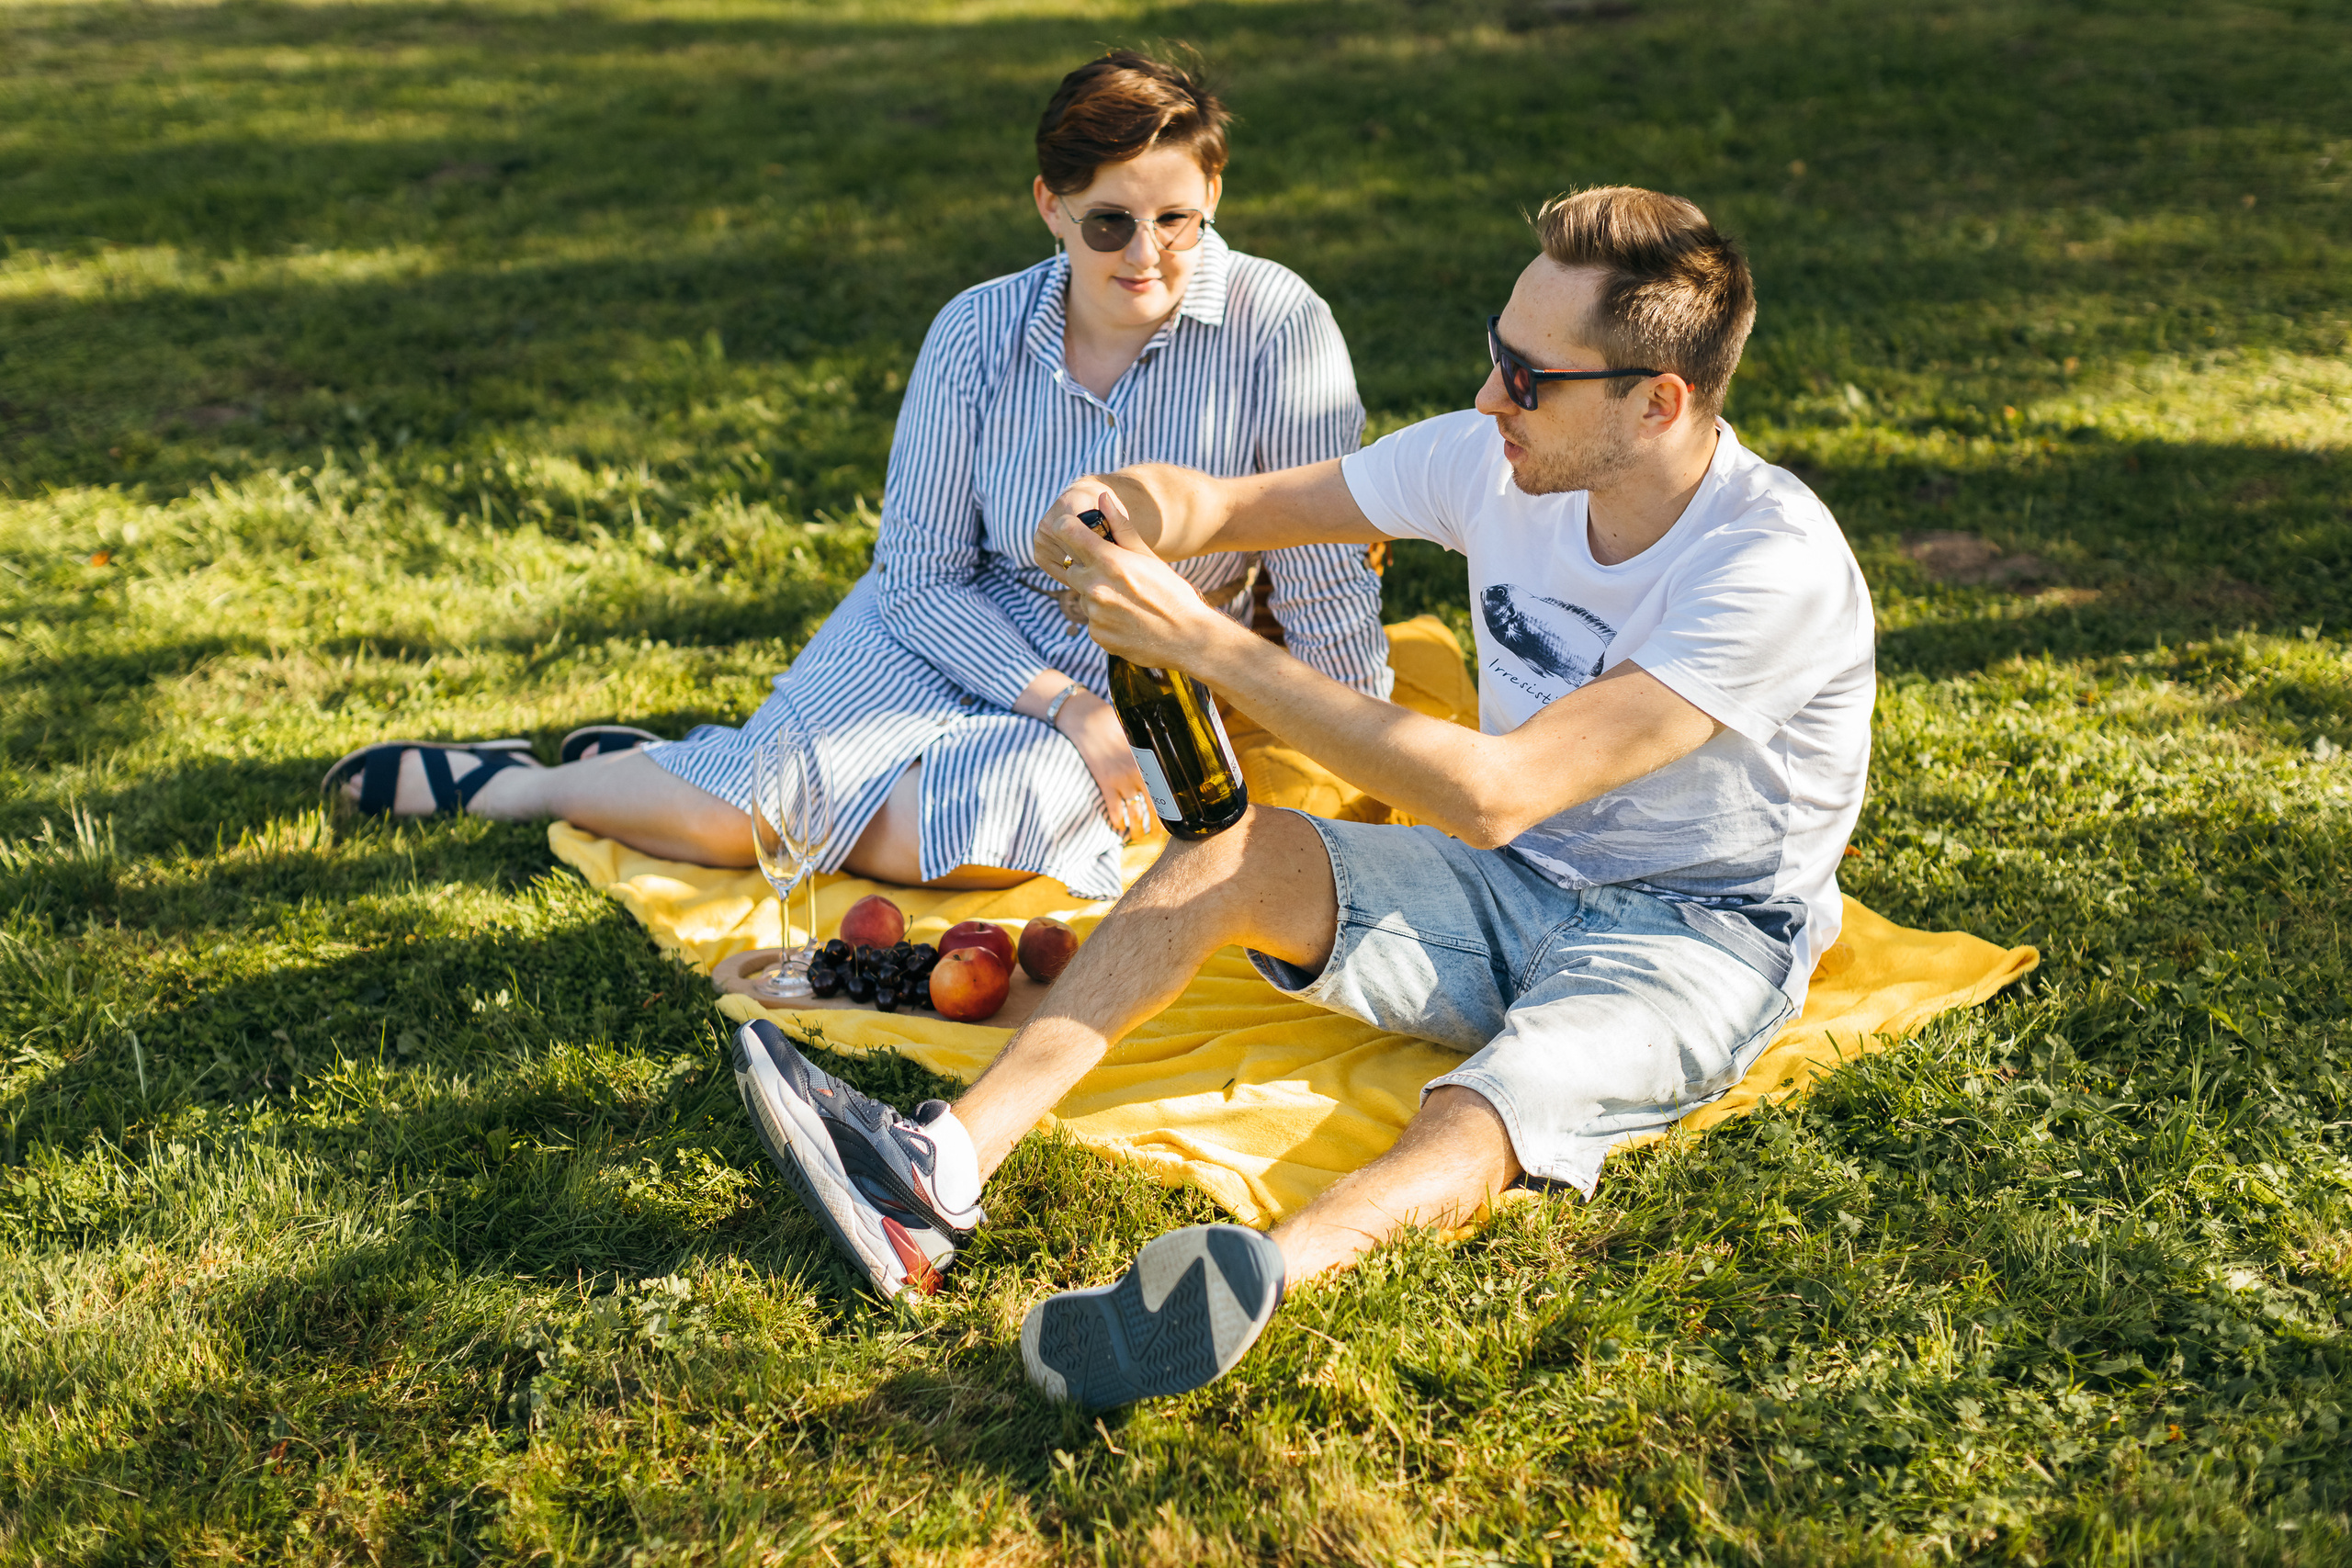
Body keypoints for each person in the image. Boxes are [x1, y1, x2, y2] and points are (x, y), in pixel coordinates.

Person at [731, 186, 1876, 1405]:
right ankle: (934, 1170)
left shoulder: (1768, 564)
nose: (1490, 396)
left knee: (1513, 1090)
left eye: (1530, 376)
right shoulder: (1497, 460)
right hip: (1519, 882)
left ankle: (1260, 1275)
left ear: (1658, 402)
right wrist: (1117, 510)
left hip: (1699, 931)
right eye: (1497, 351)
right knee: (1229, 850)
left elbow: (1500, 790)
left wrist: (1212, 646)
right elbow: (1227, 504)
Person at [322, 51, 1392, 899]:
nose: (1147, 253)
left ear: (1212, 195)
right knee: (745, 823)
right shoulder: (975, 332)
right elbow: (920, 578)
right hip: (949, 631)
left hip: (1140, 674)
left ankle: (680, 770)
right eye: (1110, 220)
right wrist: (1068, 708)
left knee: (981, 841)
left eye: (1178, 220)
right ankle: (517, 786)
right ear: (1050, 207)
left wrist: (1375, 777)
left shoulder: (1280, 329)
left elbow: (1321, 569)